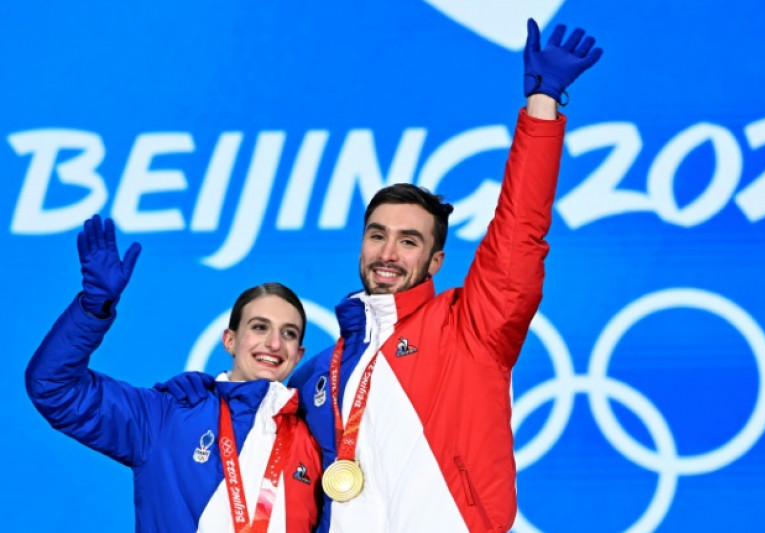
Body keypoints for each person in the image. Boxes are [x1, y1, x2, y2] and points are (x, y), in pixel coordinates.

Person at [286, 18, 604, 533]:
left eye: (409, 242)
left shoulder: (470, 327)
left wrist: (542, 105)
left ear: (435, 261)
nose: (388, 253)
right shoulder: (323, 370)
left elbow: (520, 228)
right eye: (377, 235)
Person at [25, 215, 323, 533]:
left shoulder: (314, 439)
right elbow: (54, 386)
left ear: (299, 355)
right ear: (230, 340)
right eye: (260, 327)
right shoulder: (167, 416)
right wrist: (94, 307)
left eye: (289, 333)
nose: (274, 343)